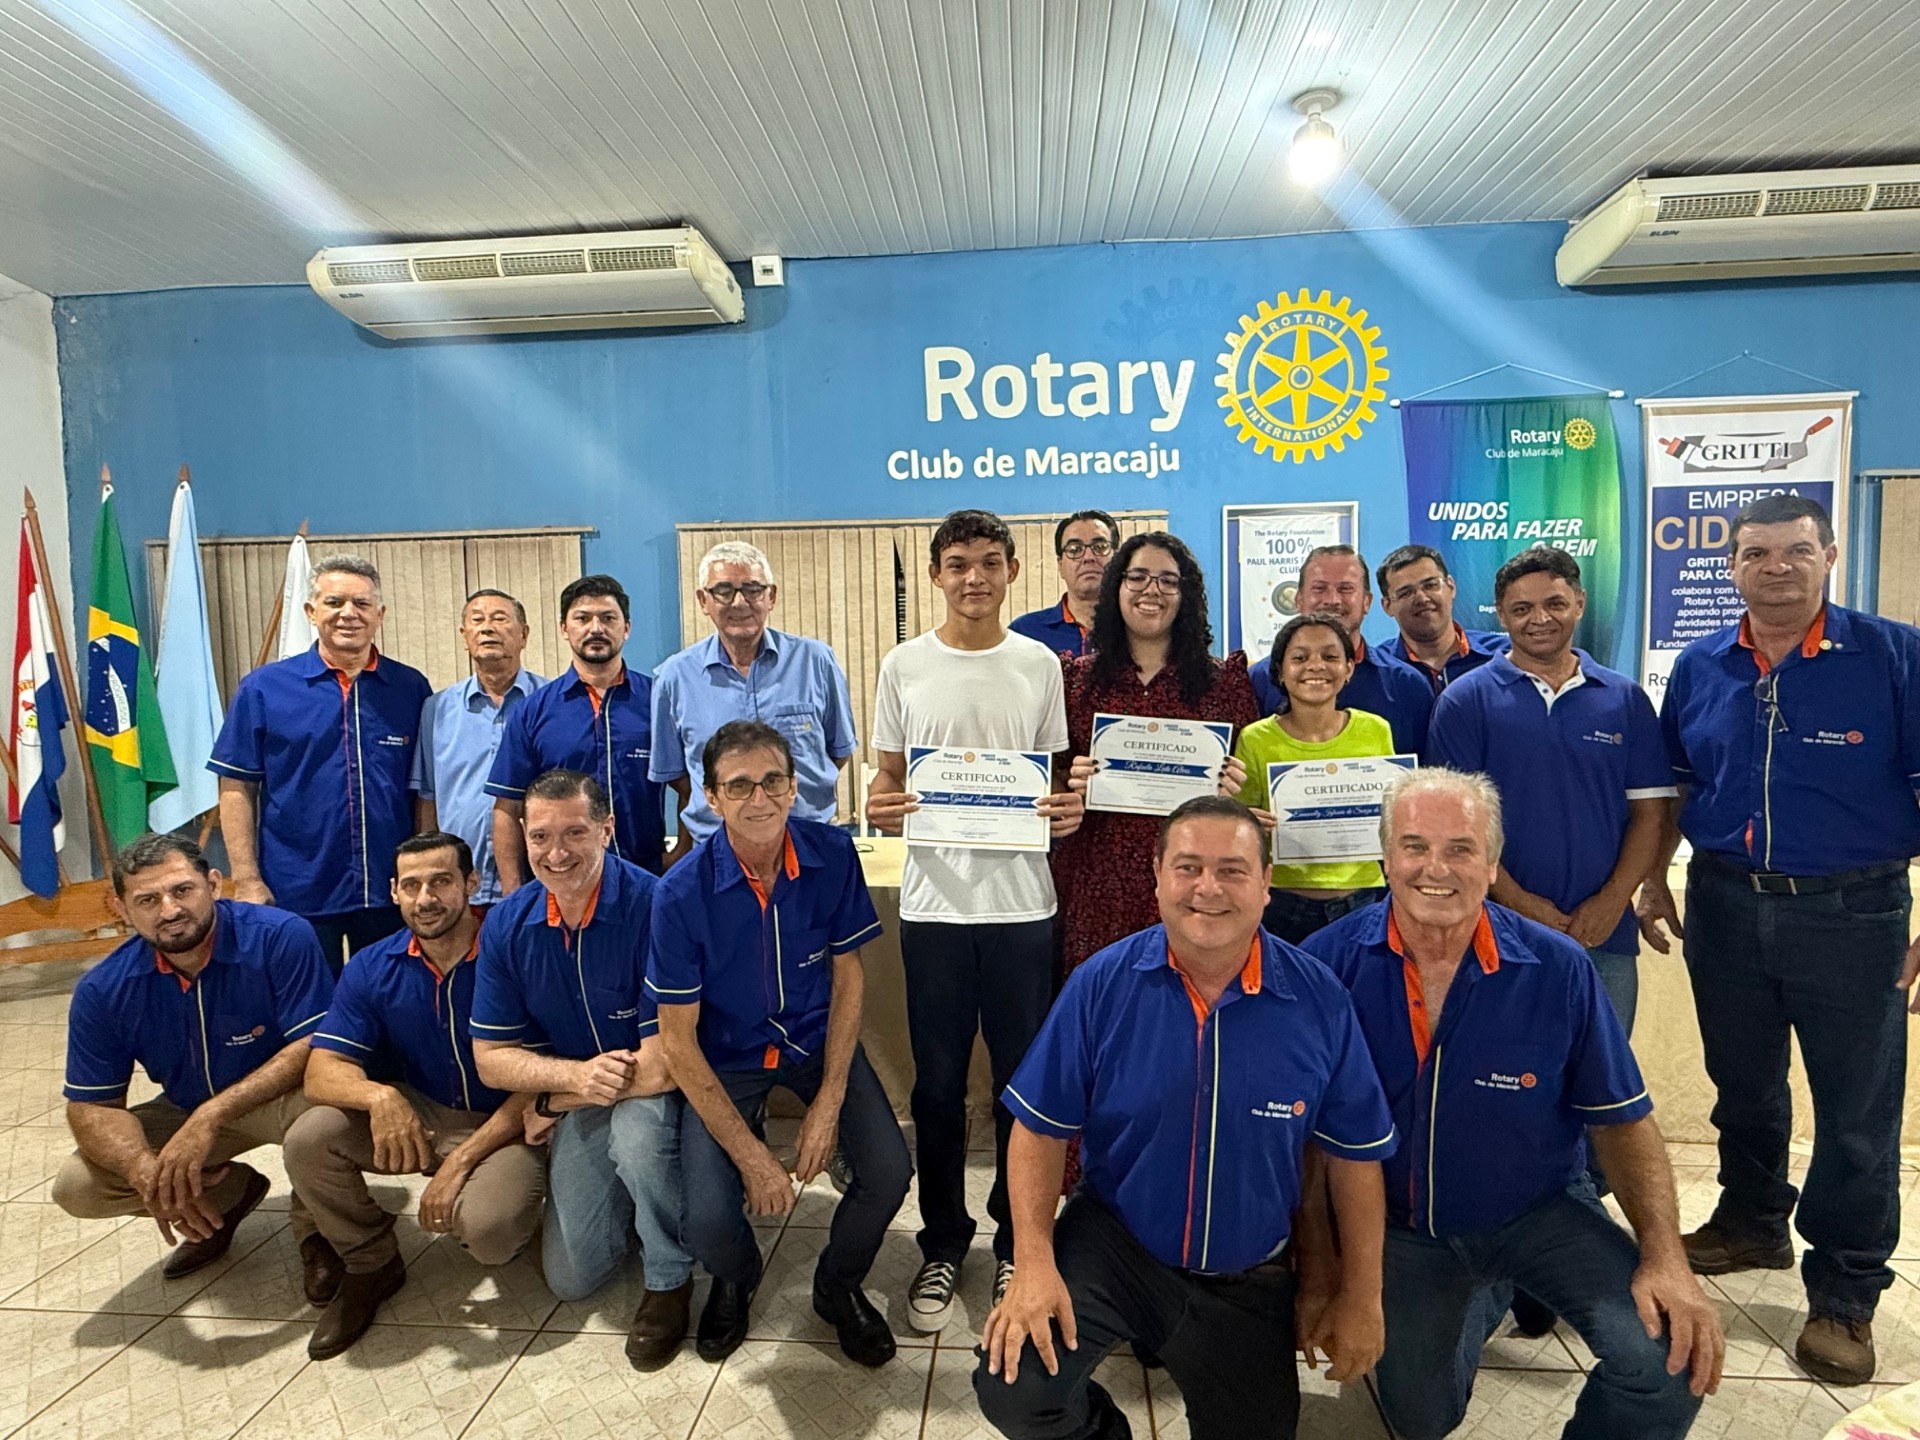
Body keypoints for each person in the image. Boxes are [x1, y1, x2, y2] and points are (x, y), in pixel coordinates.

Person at [1302, 769, 1723, 1440]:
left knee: (1667, 1358)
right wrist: (1323, 1268)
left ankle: (1499, 1281)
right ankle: (1485, 1291)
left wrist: (1665, 1256)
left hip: (1541, 1211)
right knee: (1417, 1419)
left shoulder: (1558, 968)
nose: (1435, 868)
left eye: (1461, 849)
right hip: (1405, 1232)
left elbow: (1623, 1119)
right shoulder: (1324, 968)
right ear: (1385, 858)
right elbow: (1311, 1145)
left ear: (1493, 864)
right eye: (1414, 846)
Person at [974, 796, 1397, 1440]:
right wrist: (1033, 1262)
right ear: (1157, 876)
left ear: (1266, 882)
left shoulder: (1319, 1001)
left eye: (1231, 869)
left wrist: (1359, 1294)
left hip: (1246, 1272)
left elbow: (1353, 1157)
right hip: (1116, 1243)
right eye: (1188, 867)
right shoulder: (1102, 983)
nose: (1207, 888)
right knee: (1015, 1383)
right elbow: (1040, 1126)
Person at [1638, 493, 1920, 1387]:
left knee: (1858, 1116)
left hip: (1855, 914)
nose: (1777, 567)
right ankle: (1752, 1219)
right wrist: (1654, 877)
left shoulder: (1893, 657)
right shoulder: (1702, 666)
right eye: (1756, 553)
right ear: (1731, 567)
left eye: (1797, 550)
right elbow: (1676, 785)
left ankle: (1844, 1291)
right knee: (1744, 1087)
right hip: (1725, 905)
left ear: (1830, 554)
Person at [865, 508, 1083, 1335]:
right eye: (957, 564)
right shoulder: (903, 664)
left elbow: (1054, 779)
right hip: (934, 910)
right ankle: (944, 1241)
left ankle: (1019, 1246)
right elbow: (886, 786)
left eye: (989, 562)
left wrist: (1062, 809)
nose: (973, 578)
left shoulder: (1038, 665)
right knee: (938, 1086)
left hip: (1025, 907)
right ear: (935, 575)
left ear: (1013, 571)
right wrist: (884, 808)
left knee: (1024, 1090)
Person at [650, 720, 912, 1365]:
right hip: (727, 1058)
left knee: (888, 1172)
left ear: (795, 787)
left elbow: (850, 973)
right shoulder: (679, 893)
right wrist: (755, 1159)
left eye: (772, 781)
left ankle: (837, 1286)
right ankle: (736, 1277)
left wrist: (828, 1100)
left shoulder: (831, 854)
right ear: (710, 797)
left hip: (814, 1043)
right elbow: (678, 1044)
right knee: (709, 1220)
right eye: (738, 786)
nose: (758, 798)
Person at [285, 831, 547, 1360]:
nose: (426, 898)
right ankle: (369, 1261)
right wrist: (381, 1097)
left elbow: (543, 1075)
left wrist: (462, 1162)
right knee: (309, 1136)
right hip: (424, 1108)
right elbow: (321, 1071)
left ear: (472, 884)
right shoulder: (371, 964)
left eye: (442, 881)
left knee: (490, 1236)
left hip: (508, 1120)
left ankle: (535, 1199)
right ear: (395, 892)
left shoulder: (517, 949)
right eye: (412, 885)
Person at [469, 769, 691, 1371]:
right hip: (585, 1092)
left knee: (637, 1135)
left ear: (607, 829)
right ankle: (645, 1208)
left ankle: (671, 1278)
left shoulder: (656, 905)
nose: (557, 852)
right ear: (522, 836)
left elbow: (665, 1062)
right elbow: (491, 1061)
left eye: (575, 833)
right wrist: (571, 1083)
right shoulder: (509, 925)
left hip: (661, 1089)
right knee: (573, 1279)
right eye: (540, 837)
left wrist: (555, 1099)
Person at [55, 834, 337, 1300]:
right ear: (121, 909)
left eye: (181, 891)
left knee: (325, 1115)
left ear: (214, 884)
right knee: (78, 1185)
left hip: (283, 1095)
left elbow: (314, 1043)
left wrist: (212, 1116)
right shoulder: (103, 989)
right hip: (185, 1107)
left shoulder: (281, 935)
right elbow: (90, 1107)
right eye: (147, 900)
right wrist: (145, 1170)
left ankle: (319, 1234)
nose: (168, 910)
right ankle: (225, 1201)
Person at [1428, 548, 1672, 1037]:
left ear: (1579, 603)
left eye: (1555, 604)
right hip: (1495, 932)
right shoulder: (1465, 701)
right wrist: (1518, 902)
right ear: (1501, 615)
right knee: (1503, 1084)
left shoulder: (1624, 699)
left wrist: (1612, 900)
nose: (1539, 619)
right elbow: (1454, 825)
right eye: (1521, 609)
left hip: (1604, 935)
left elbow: (1651, 816)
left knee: (1604, 1088)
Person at [210, 554, 433, 971]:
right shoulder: (264, 688)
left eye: (362, 604)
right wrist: (246, 879)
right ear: (311, 611)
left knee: (390, 1007)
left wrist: (423, 872)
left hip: (390, 891)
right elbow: (236, 787)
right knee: (310, 1011)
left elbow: (423, 789)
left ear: (380, 615)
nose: (348, 614)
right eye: (334, 603)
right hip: (297, 890)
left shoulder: (411, 688)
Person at [1056, 530, 1258, 977]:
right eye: (1139, 577)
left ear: (1185, 594)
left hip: (1194, 878)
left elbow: (1245, 792)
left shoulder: (1223, 683)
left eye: (1168, 580)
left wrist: (1230, 788)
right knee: (1101, 1006)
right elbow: (1054, 775)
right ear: (1117, 588)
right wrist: (1071, 780)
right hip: (1097, 878)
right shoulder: (1076, 681)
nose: (1152, 591)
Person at [652, 541, 858, 863]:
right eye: (723, 590)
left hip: (810, 848)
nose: (739, 602)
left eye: (752, 589)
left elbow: (836, 753)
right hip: (716, 854)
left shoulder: (816, 661)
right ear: (703, 600)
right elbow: (679, 775)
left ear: (771, 597)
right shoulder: (674, 677)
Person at [487, 574, 667, 889]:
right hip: (559, 883)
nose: (595, 628)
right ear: (564, 629)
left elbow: (690, 785)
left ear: (626, 628)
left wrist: (680, 853)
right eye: (582, 618)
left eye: (608, 618)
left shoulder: (658, 701)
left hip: (645, 881)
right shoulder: (533, 711)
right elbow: (508, 807)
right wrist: (514, 892)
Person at [1234, 613, 1395, 944]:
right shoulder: (1255, 739)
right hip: (1283, 903)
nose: (1316, 665)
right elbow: (1238, 820)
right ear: (1279, 670)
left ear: (1349, 668)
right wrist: (1249, 822)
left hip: (1363, 899)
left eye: (1331, 656)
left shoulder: (1376, 730)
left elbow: (1392, 811)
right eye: (1300, 657)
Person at [412, 589, 546, 904]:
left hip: (537, 883)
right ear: (464, 635)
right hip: (458, 889)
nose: (487, 628)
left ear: (523, 635)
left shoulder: (550, 703)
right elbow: (428, 799)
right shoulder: (436, 708)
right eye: (477, 620)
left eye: (500, 619)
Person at [1247, 545, 1433, 755]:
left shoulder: (1408, 685)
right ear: (1298, 599)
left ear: (1367, 602)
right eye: (1319, 588)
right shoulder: (1257, 681)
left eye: (1346, 589)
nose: (1332, 600)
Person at [1374, 544, 1507, 692]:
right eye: (1406, 593)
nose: (1422, 598)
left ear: (1451, 587)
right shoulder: (1375, 672)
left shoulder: (1504, 655)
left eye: (1430, 585)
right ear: (1387, 606)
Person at [1010, 510, 1119, 657]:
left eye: (1100, 547)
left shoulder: (1139, 629)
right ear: (1060, 565)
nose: (1088, 557)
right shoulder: (1024, 633)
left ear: (1118, 558)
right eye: (1075, 550)